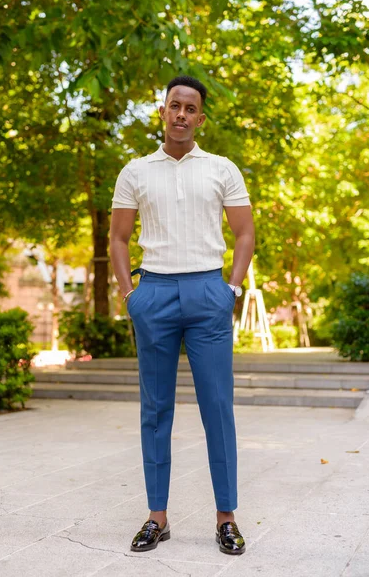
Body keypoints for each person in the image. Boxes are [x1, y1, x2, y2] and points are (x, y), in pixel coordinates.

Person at [109, 75, 255, 555]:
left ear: (201, 119)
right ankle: (157, 516)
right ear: (162, 111)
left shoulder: (222, 169)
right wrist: (131, 294)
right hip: (155, 293)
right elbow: (119, 238)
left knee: (218, 408)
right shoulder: (135, 171)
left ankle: (226, 518)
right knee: (155, 410)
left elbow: (244, 233)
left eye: (191, 109)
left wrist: (230, 289)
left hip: (207, 292)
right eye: (175, 106)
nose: (181, 115)